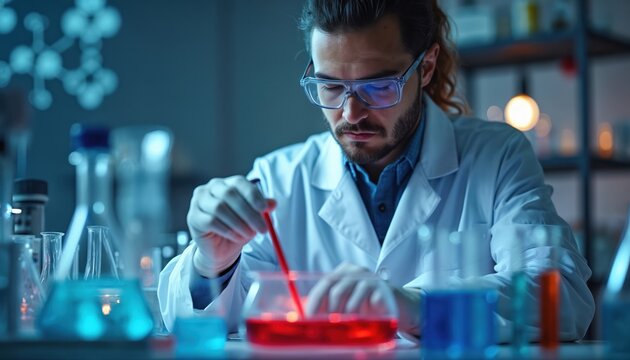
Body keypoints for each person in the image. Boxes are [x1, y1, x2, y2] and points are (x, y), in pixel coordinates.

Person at [158, 0, 594, 341]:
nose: (351, 112)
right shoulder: (279, 178)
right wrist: (212, 262)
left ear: (424, 68)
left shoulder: (497, 157)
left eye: (378, 86)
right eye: (330, 86)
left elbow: (561, 297)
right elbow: (205, 323)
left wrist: (417, 306)